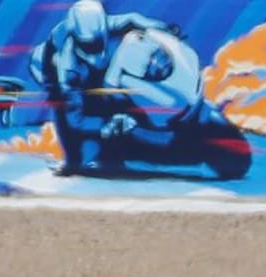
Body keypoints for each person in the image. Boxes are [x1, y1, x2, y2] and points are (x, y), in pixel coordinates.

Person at [28, 0, 175, 175]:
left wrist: (164, 29)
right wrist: (106, 124)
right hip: (56, 75)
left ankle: (113, 154)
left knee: (108, 93)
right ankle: (71, 162)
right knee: (60, 107)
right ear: (77, 40)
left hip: (84, 69)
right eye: (88, 45)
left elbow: (133, 19)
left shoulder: (103, 25)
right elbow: (75, 120)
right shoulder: (67, 69)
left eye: (97, 43)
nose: (94, 50)